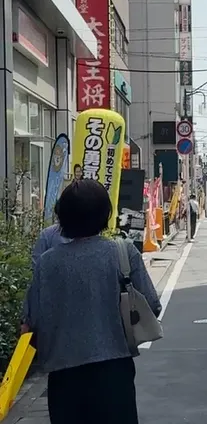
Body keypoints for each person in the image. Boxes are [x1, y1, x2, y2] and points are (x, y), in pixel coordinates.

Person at [23, 179, 161, 424]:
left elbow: (31, 322)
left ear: (62, 217)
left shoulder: (46, 263)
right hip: (114, 372)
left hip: (63, 376)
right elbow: (152, 304)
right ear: (104, 214)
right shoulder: (123, 252)